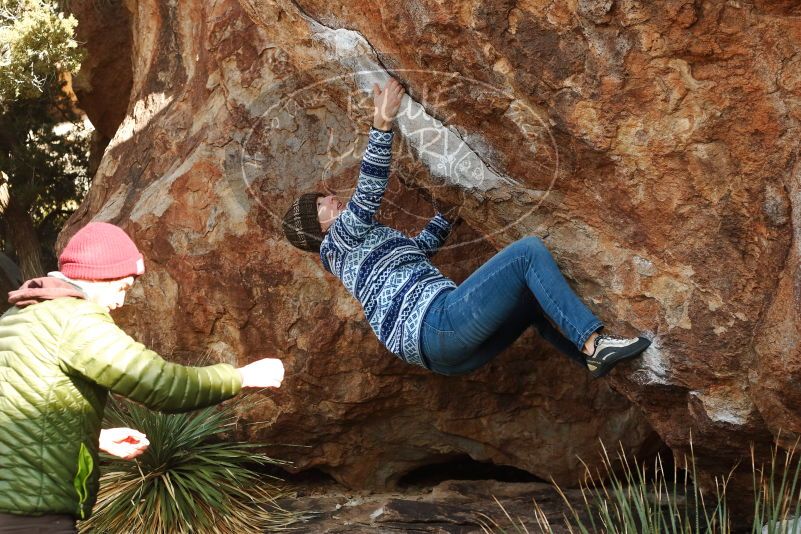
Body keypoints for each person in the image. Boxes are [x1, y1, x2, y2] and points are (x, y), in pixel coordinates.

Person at [281, 77, 650, 377]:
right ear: (320, 230)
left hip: (442, 355)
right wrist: (382, 122)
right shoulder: (338, 243)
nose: (330, 199)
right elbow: (368, 192)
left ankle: (599, 363)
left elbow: (419, 252)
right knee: (528, 254)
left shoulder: (357, 248)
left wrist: (449, 213)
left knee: (534, 302)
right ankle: (595, 345)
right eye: (320, 206)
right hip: (436, 324)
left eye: (323, 198)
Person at [0, 222, 285, 533]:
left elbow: (18, 411)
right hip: (31, 513)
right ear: (98, 275)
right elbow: (162, 385)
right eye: (122, 287)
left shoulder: (17, 318)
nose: (120, 302)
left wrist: (95, 438)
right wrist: (241, 376)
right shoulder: (73, 318)